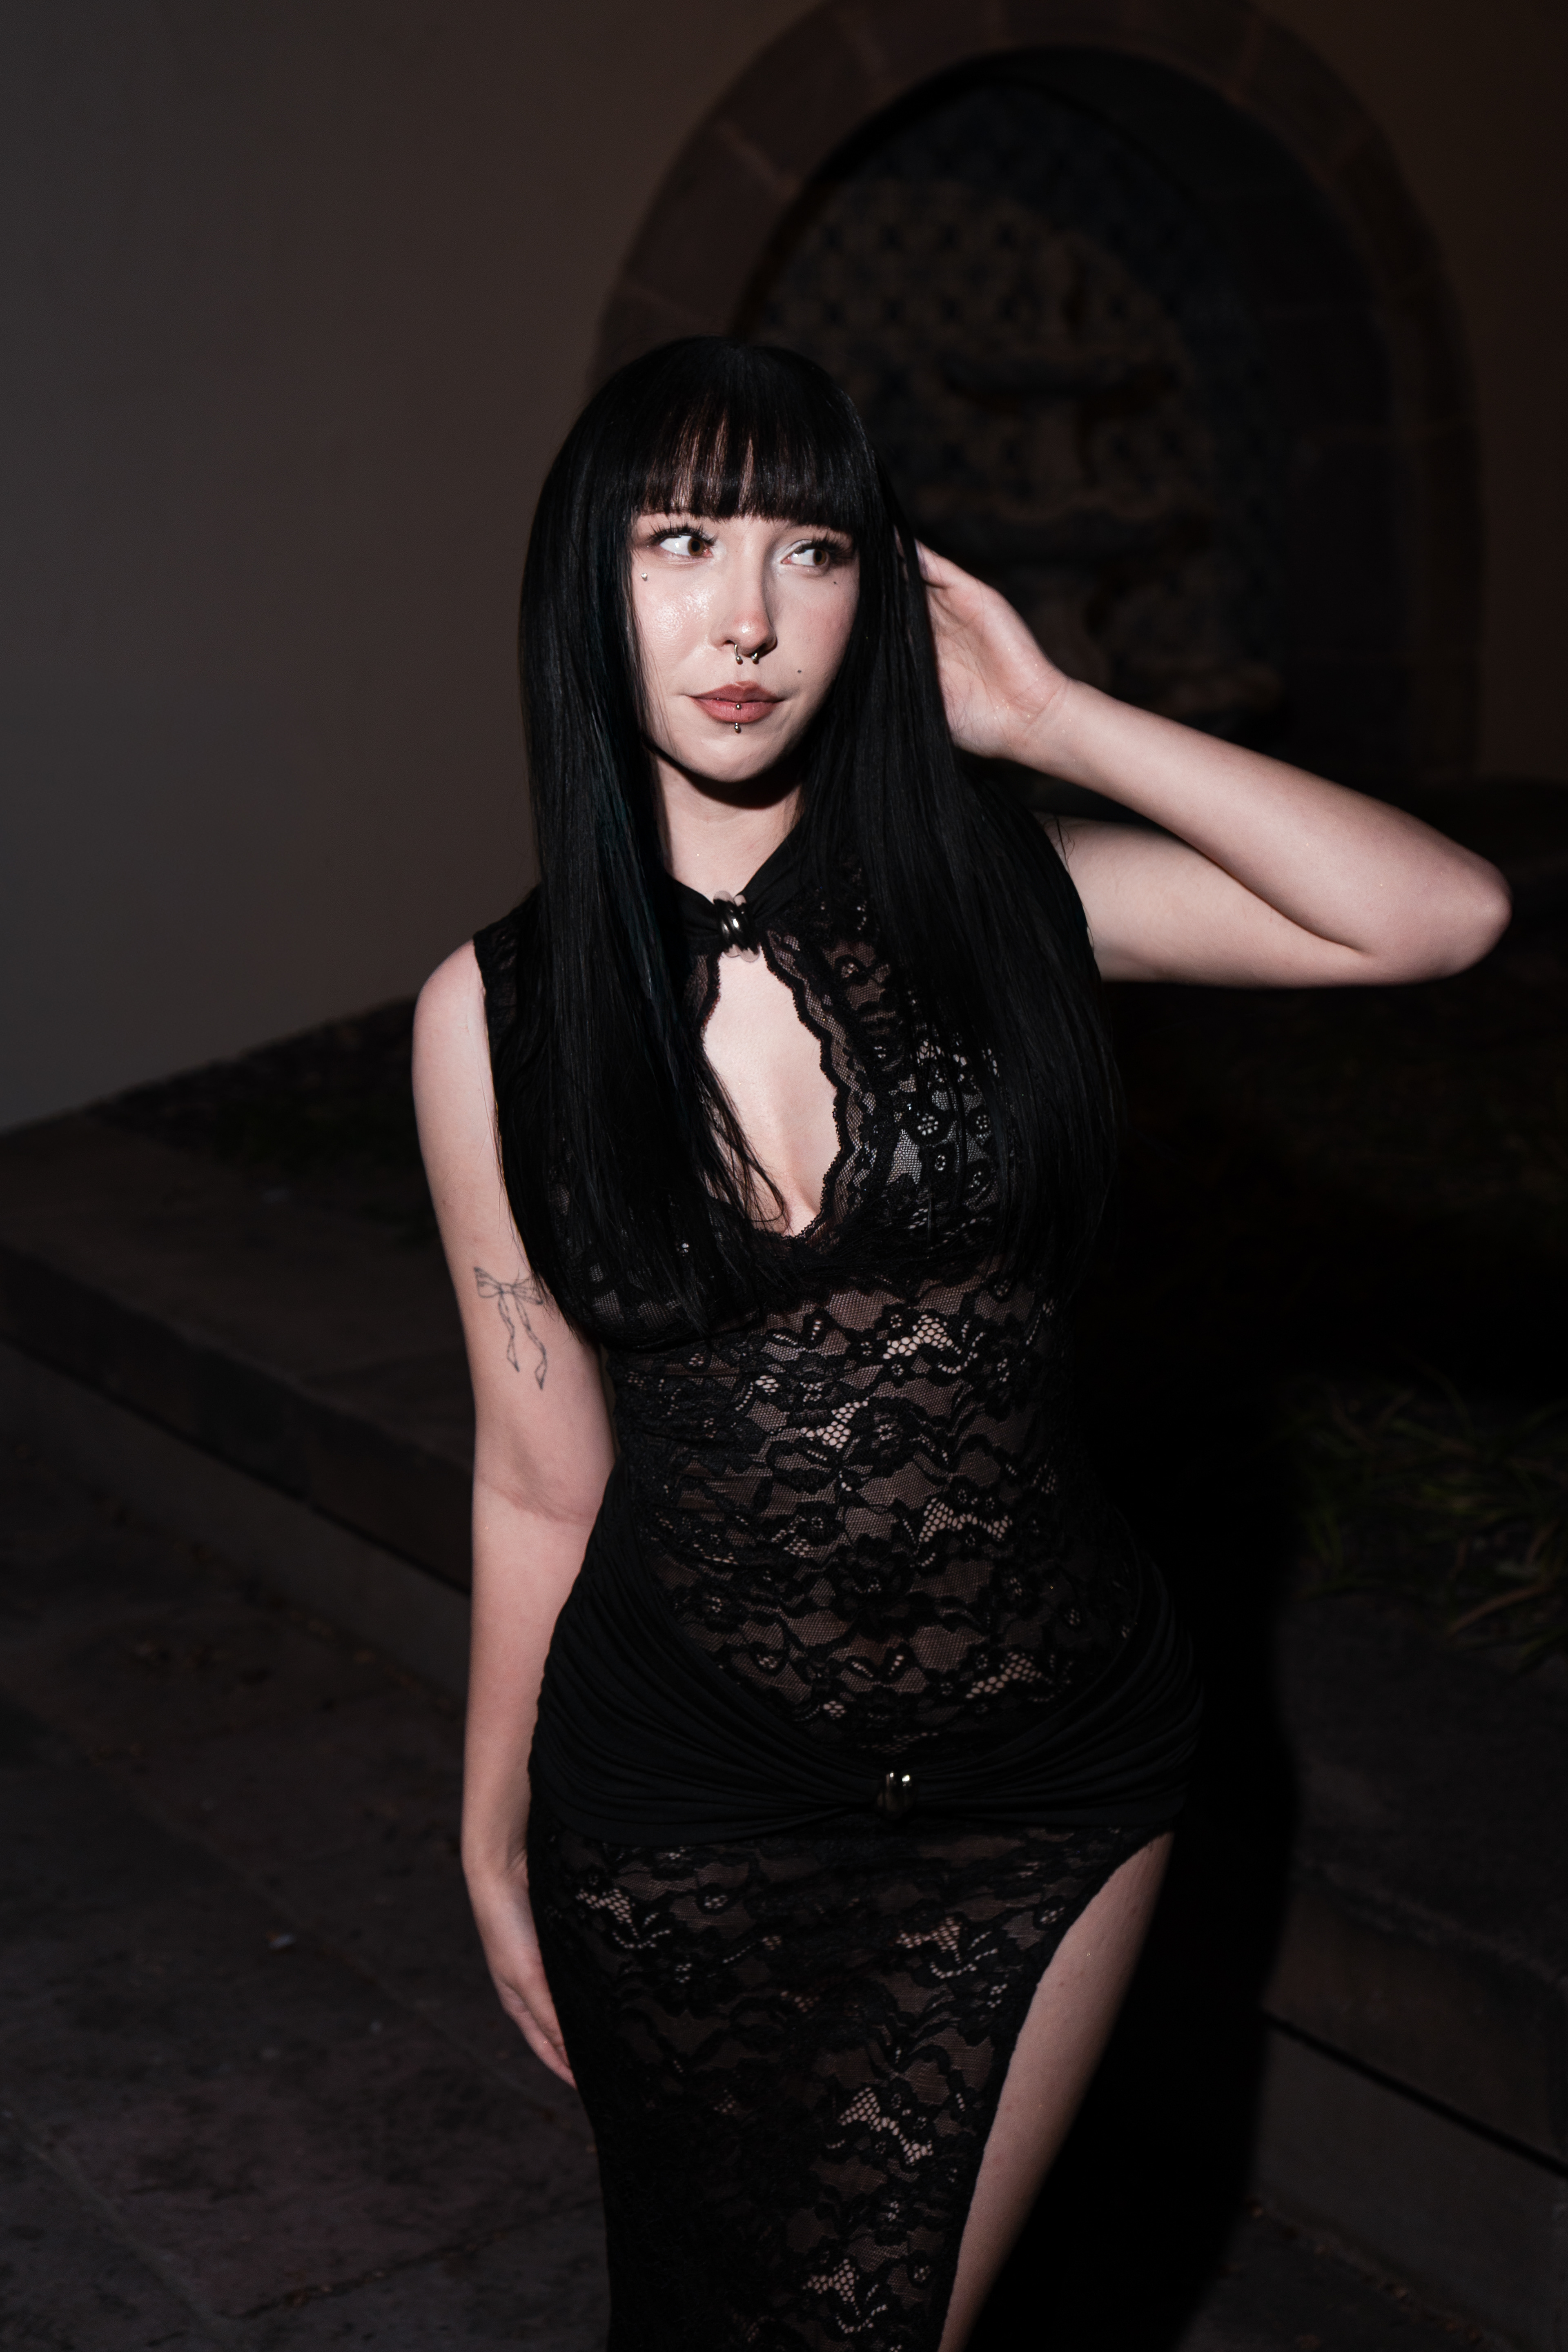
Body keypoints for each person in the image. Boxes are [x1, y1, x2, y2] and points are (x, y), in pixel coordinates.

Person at [412, 339, 1507, 2351]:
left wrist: (1057, 717)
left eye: (812, 548)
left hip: (1047, 1772)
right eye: (682, 541)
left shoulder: (1006, 907)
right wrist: (488, 1820)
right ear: (586, 580)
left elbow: (1433, 916)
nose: (749, 617)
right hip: (681, 1786)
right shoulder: (494, 1020)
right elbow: (535, 1471)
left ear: (881, 590)